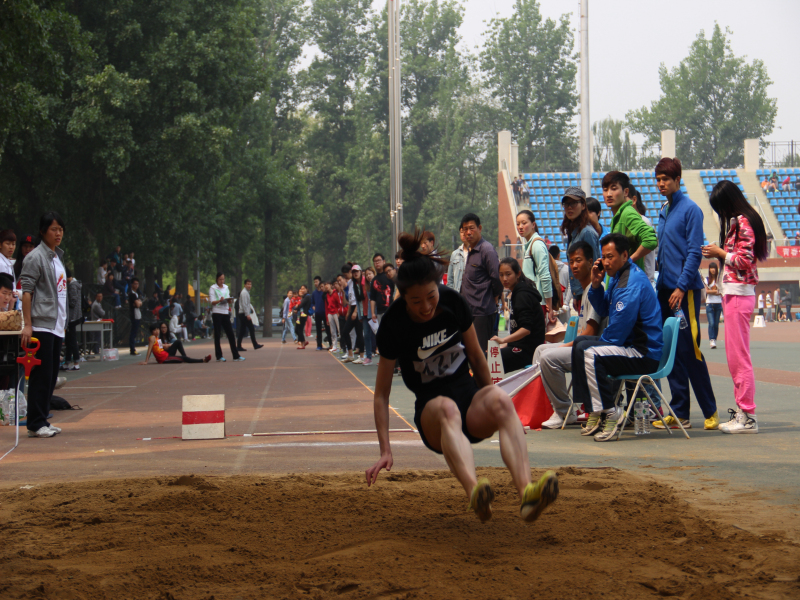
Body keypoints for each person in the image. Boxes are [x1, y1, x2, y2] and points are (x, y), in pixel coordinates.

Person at [366, 229, 559, 523]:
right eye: (416, 302)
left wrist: (490, 401)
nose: (427, 307)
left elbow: (477, 357)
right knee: (446, 408)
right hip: (435, 416)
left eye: (431, 296)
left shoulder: (452, 302)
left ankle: (528, 493)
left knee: (500, 398)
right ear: (403, 298)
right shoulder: (394, 323)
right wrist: (385, 450)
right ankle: (475, 493)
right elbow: (381, 395)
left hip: (468, 401)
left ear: (437, 286)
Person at [571, 233, 664, 442]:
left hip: (643, 353)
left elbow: (616, 334)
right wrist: (595, 285)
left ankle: (611, 412)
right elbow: (604, 309)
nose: (606, 262)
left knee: (589, 353)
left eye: (610, 256)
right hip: (629, 345)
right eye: (603, 257)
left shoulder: (629, 283)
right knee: (579, 344)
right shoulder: (616, 277)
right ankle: (594, 409)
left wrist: (597, 346)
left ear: (625, 255)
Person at [652, 157, 719, 431]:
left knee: (689, 349)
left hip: (686, 291)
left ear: (678, 180)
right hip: (664, 290)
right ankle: (679, 411)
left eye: (665, 179)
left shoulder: (691, 210)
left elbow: (694, 252)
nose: (661, 184)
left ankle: (710, 410)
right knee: (670, 351)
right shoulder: (664, 210)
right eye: (657, 179)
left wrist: (681, 286)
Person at [703, 179, 769, 434]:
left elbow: (745, 259)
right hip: (734, 293)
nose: (719, 213)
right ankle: (743, 411)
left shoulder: (742, 221)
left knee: (739, 357)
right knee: (734, 357)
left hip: (740, 294)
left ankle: (748, 415)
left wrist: (720, 253)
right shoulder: (738, 222)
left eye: (719, 207)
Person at [537, 241, 607, 429]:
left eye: (579, 260)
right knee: (540, 350)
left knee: (548, 357)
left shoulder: (596, 290)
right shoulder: (584, 291)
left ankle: (565, 411)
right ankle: (550, 406)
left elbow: (590, 333)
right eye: (571, 261)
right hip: (581, 346)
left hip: (592, 349)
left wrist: (564, 346)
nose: (574, 265)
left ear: (591, 262)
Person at [19, 212, 68, 439]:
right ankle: (35, 423)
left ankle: (42, 419)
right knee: (41, 375)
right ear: (42, 231)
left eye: (60, 229)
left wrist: (63, 322)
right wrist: (28, 325)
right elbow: (26, 292)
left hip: (56, 324)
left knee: (50, 376)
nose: (58, 233)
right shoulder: (35, 257)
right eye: (53, 229)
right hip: (41, 324)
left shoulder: (56, 257)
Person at [489, 258, 545, 373]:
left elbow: (526, 329)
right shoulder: (518, 292)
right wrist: (506, 344)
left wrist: (503, 340)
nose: (504, 279)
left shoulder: (522, 295)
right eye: (501, 275)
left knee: (488, 360)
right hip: (522, 347)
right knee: (489, 356)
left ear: (518, 274)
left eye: (508, 274)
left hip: (529, 352)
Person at [459, 213, 503, 353]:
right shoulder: (471, 251)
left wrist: (495, 296)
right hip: (470, 311)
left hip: (482, 311)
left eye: (471, 228)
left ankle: (483, 376)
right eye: (465, 229)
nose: (468, 232)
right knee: (470, 351)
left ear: (480, 228)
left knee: (481, 353)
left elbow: (496, 277)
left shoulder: (487, 249)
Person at [603, 173, 657, 272]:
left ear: (626, 192)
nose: (609, 194)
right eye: (605, 190)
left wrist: (629, 261)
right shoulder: (619, 216)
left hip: (629, 282)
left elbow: (651, 240)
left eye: (614, 189)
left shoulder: (627, 213)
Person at [517, 210, 559, 328]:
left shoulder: (537, 245)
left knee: (536, 341)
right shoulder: (530, 244)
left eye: (524, 223)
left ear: (533, 225)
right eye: (518, 224)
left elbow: (545, 275)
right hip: (532, 301)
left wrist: (549, 305)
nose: (520, 227)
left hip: (537, 302)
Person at [560, 187, 600, 308]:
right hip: (580, 293)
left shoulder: (587, 232)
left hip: (589, 292)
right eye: (566, 204)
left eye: (573, 203)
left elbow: (596, 265)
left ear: (583, 205)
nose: (569, 207)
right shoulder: (574, 232)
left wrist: (589, 292)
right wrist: (576, 295)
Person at [209, 272, 244, 362]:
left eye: (223, 279)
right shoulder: (213, 288)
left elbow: (228, 298)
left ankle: (236, 355)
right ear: (217, 279)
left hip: (225, 312)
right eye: (220, 279)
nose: (222, 281)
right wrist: (219, 301)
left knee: (231, 334)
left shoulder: (226, 287)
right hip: (217, 312)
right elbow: (212, 301)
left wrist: (229, 301)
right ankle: (219, 356)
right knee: (217, 334)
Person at [140, 323, 212, 365]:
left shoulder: (157, 338)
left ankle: (192, 359)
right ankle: (203, 360)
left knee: (180, 351)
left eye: (157, 329)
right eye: (155, 330)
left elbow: (162, 348)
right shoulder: (152, 337)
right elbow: (149, 349)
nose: (157, 331)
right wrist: (146, 361)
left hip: (166, 355)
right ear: (152, 331)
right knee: (183, 358)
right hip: (164, 358)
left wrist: (171, 345)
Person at [630, 187, 657, 286]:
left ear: (634, 200)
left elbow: (646, 249)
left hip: (643, 281)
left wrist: (628, 260)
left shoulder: (643, 221)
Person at [341, 266, 366, 361]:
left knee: (359, 332)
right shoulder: (350, 282)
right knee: (345, 331)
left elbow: (359, 300)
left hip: (359, 308)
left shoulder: (361, 282)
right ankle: (350, 354)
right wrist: (349, 312)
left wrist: (355, 312)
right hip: (352, 308)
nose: (355, 274)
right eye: (353, 272)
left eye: (356, 272)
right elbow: (351, 299)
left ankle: (362, 356)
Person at [236, 279, 263, 351]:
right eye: (248, 284)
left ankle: (238, 345)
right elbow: (245, 304)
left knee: (242, 330)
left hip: (242, 313)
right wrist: (247, 314)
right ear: (244, 285)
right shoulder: (244, 293)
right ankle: (255, 344)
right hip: (244, 314)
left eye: (250, 284)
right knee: (251, 328)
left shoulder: (246, 292)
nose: (249, 286)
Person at [64, 269, 82, 371]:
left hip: (72, 317)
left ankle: (76, 361)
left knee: (72, 339)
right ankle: (67, 361)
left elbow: (72, 302)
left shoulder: (72, 286)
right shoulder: (75, 284)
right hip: (73, 316)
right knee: (69, 340)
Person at [704, 263, 723, 348]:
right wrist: (716, 292)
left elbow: (722, 291)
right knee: (711, 323)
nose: (713, 270)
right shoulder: (707, 279)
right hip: (709, 304)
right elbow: (707, 291)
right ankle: (712, 340)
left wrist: (716, 292)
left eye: (714, 268)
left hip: (718, 304)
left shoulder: (720, 280)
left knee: (716, 324)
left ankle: (714, 339)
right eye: (711, 268)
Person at [310, 276, 330, 351]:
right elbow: (312, 303)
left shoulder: (324, 292)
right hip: (317, 314)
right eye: (314, 282)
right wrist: (313, 306)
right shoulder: (314, 293)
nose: (316, 283)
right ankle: (319, 345)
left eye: (317, 281)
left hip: (325, 313)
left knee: (328, 329)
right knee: (318, 330)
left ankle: (331, 344)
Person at [446, 228, 468, 292]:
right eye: (461, 232)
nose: (463, 234)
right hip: (458, 294)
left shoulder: (476, 253)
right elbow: (450, 280)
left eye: (465, 231)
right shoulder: (455, 254)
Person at [294, 284, 312, 349]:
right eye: (301, 289)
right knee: (297, 330)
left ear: (306, 289)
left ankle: (302, 344)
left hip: (303, 315)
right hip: (299, 315)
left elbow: (301, 304)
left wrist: (296, 309)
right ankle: (304, 341)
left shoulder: (307, 296)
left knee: (300, 329)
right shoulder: (303, 297)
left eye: (303, 288)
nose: (302, 290)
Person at [128, 277, 143, 355]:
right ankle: (132, 349)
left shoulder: (137, 293)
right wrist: (138, 303)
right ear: (132, 284)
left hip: (138, 314)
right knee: (133, 332)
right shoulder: (132, 294)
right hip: (134, 315)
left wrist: (138, 303)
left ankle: (133, 348)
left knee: (135, 332)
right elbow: (137, 304)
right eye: (135, 284)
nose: (136, 285)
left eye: (137, 284)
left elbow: (140, 303)